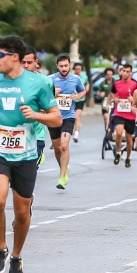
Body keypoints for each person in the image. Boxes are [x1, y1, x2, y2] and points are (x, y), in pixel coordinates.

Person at [0, 36, 61, 273]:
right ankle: (1, 248)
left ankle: (16, 256)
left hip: (25, 154)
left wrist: (36, 115)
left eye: (0, 55)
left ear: (14, 57)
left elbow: (56, 118)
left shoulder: (37, 84)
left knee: (22, 212)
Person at [50, 54, 86, 189]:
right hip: (53, 117)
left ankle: (61, 177)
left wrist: (78, 96)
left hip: (68, 117)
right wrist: (53, 92)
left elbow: (83, 92)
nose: (64, 68)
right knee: (57, 147)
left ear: (70, 65)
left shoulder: (75, 79)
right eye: (61, 66)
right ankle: (64, 169)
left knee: (64, 146)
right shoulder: (50, 79)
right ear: (57, 66)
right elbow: (42, 95)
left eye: (66, 66)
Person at [108, 65, 137, 167]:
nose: (124, 73)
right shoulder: (116, 83)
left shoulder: (135, 84)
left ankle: (128, 158)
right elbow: (112, 92)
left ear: (130, 72)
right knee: (119, 132)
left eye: (127, 71)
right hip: (119, 112)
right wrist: (115, 99)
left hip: (130, 115)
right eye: (123, 71)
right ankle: (118, 153)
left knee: (129, 138)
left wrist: (133, 100)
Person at [71, 61, 89, 142]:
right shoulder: (70, 77)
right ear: (74, 69)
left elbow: (87, 84)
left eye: (79, 69)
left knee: (77, 117)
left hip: (80, 100)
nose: (78, 70)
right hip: (71, 100)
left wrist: (86, 90)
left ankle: (76, 134)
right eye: (76, 69)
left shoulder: (84, 77)